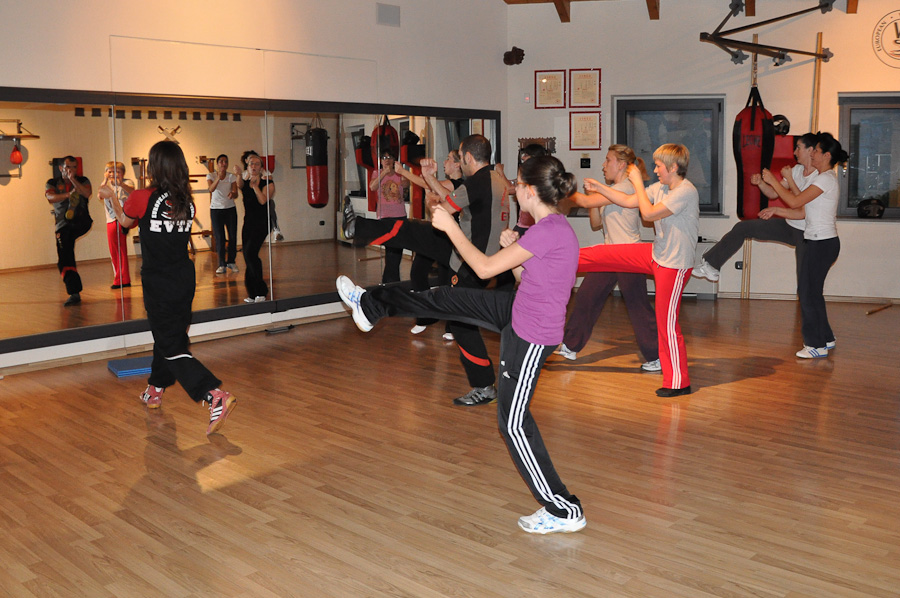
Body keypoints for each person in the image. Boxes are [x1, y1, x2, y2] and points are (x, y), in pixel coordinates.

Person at [336, 155, 585, 534]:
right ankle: (372, 306)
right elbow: (524, 279)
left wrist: (452, 228)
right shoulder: (549, 228)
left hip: (531, 335)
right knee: (445, 297)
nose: (513, 188)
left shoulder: (549, 231)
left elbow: (483, 269)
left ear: (531, 191)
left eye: (518, 183)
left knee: (513, 424)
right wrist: (514, 251)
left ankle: (564, 509)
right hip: (518, 310)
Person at [341, 134, 509, 406]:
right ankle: (358, 232)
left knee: (455, 320)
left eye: (460, 158)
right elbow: (453, 200)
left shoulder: (478, 182)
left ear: (467, 157)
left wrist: (433, 203)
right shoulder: (494, 179)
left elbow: (444, 209)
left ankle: (371, 302)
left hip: (468, 262)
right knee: (415, 233)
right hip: (468, 254)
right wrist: (429, 178)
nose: (459, 162)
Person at [108, 140, 236, 435]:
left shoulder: (142, 197)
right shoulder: (186, 201)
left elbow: (125, 221)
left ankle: (213, 394)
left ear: (154, 166)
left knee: (170, 344)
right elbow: (151, 213)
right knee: (169, 336)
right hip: (184, 277)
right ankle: (155, 389)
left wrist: (111, 196)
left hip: (159, 281)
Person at [577, 144, 699, 397]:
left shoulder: (686, 191)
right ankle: (559, 260)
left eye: (659, 166)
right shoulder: (661, 188)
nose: (654, 170)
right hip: (656, 254)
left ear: (673, 167)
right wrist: (599, 187)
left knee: (667, 324)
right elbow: (627, 200)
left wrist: (637, 184)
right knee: (607, 254)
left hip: (674, 265)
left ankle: (679, 382)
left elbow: (649, 214)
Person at [554, 145, 660, 371]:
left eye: (608, 160)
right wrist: (593, 196)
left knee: (638, 306)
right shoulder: (611, 191)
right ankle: (570, 346)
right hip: (610, 254)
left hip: (628, 254)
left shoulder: (626, 187)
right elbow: (595, 223)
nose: (603, 165)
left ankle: (657, 356)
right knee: (586, 297)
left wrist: (557, 187)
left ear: (621, 165)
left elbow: (583, 203)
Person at [759, 132, 845, 358]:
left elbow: (795, 201)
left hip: (822, 243)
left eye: (816, 151)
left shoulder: (825, 179)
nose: (812, 154)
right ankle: (826, 338)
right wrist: (776, 205)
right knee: (813, 292)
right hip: (819, 242)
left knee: (807, 293)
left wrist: (774, 181)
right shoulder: (823, 178)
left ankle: (815, 345)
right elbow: (800, 207)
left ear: (826, 156)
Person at [693, 133, 820, 285]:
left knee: (805, 285)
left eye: (798, 148)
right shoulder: (796, 170)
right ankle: (712, 265)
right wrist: (760, 183)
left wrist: (789, 180)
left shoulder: (818, 177)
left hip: (809, 233)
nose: (794, 152)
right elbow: (773, 193)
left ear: (810, 150)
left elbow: (801, 204)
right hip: (790, 225)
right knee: (742, 227)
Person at [396, 151, 462, 338]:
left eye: (449, 159)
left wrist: (403, 171)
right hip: (434, 233)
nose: (445, 162)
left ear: (458, 165)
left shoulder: (458, 185)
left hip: (449, 236)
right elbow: (431, 200)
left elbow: (427, 183)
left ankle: (452, 325)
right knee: (417, 272)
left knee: (446, 279)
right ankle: (426, 316)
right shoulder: (442, 185)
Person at [45, 156, 93, 306]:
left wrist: (73, 180)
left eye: (73, 167)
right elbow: (50, 197)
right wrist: (68, 195)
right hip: (63, 225)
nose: (71, 170)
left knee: (66, 252)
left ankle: (73, 209)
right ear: (61, 168)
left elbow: (87, 193)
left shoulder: (83, 180)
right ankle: (74, 292)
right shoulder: (52, 182)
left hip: (81, 221)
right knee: (65, 258)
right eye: (67, 167)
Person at [235, 151, 275, 303]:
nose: (254, 166)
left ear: (261, 168)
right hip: (248, 223)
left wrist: (255, 187)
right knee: (248, 256)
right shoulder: (245, 182)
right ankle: (252, 293)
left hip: (262, 223)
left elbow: (263, 201)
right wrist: (239, 174)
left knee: (251, 254)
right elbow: (239, 185)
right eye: (251, 163)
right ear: (247, 166)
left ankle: (261, 291)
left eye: (257, 164)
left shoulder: (268, 183)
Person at [369, 150, 411, 283]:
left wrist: (402, 174)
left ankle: (390, 281)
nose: (387, 160)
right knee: (391, 250)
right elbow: (372, 187)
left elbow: (406, 184)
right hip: (385, 216)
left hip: (399, 216)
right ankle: (391, 281)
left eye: (389, 157)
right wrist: (384, 173)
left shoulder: (399, 173)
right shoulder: (377, 173)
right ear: (380, 161)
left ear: (394, 160)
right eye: (384, 157)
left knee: (397, 250)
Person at [97, 161, 134, 290]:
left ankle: (122, 279)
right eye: (110, 172)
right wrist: (105, 180)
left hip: (122, 219)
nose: (114, 174)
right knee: (114, 251)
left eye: (117, 171)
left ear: (123, 173)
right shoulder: (106, 185)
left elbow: (133, 192)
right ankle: (120, 278)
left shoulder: (127, 182)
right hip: (110, 220)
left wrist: (121, 184)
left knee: (121, 249)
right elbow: (100, 195)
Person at [206, 154, 240, 275]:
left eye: (226, 162)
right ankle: (221, 264)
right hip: (216, 210)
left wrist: (233, 193)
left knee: (232, 236)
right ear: (217, 164)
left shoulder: (231, 176)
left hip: (230, 209)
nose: (224, 164)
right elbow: (210, 189)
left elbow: (236, 193)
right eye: (221, 162)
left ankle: (231, 261)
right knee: (219, 237)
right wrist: (218, 178)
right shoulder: (211, 175)